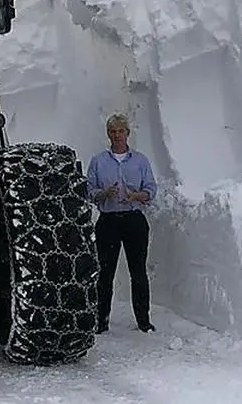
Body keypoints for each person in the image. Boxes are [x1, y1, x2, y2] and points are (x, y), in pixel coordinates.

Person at [85, 113, 157, 333]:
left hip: (134, 219)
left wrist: (137, 196)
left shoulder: (140, 160)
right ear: (108, 134)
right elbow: (89, 190)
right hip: (109, 221)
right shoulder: (98, 161)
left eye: (121, 131)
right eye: (113, 131)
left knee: (138, 272)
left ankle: (143, 321)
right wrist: (104, 193)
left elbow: (151, 189)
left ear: (128, 133)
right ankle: (101, 320)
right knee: (105, 273)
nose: (117, 135)